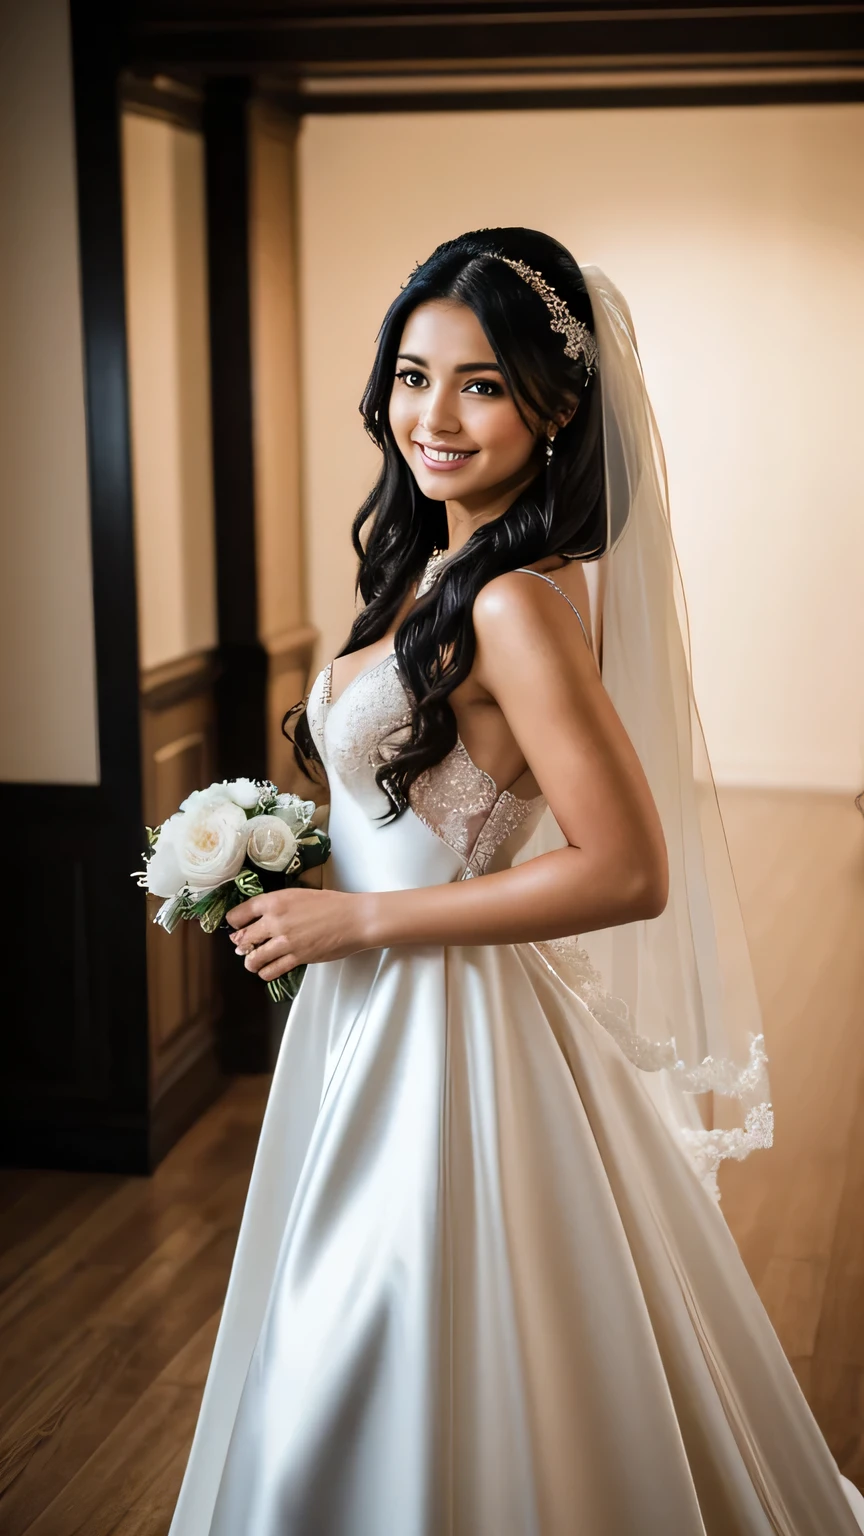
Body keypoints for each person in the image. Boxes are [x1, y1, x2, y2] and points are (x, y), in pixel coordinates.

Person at [168, 228, 864, 1534]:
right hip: (371, 1009)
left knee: (405, 1319)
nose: (434, 414)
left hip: (443, 1026)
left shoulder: (516, 605)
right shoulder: (431, 573)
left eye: (482, 382)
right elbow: (423, 805)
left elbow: (630, 869)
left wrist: (361, 913)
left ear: (555, 408)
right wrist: (289, 848)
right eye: (415, 374)